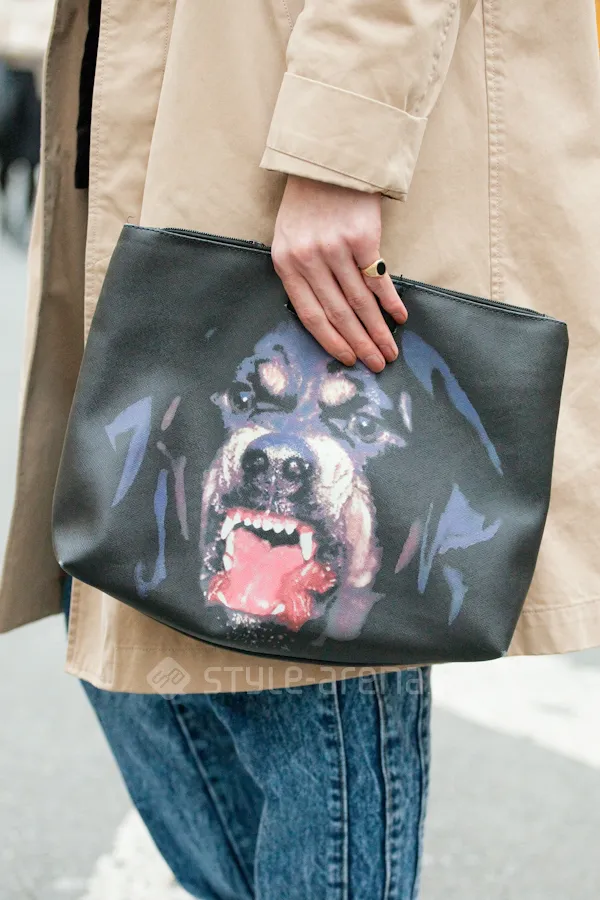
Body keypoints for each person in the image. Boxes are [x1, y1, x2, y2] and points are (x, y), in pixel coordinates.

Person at [1, 1, 599, 897]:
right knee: (119, 589)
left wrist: (342, 149)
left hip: (301, 118)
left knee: (316, 641)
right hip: (155, 93)